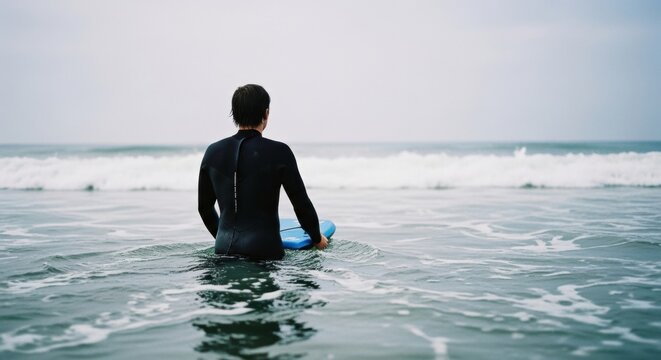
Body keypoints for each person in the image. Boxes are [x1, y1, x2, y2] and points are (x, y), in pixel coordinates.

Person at [198, 84, 328, 260]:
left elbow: (204, 208)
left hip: (223, 250)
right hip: (266, 252)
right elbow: (301, 204)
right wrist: (317, 238)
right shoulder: (279, 152)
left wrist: (224, 238)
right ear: (266, 113)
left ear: (234, 114)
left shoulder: (212, 152)